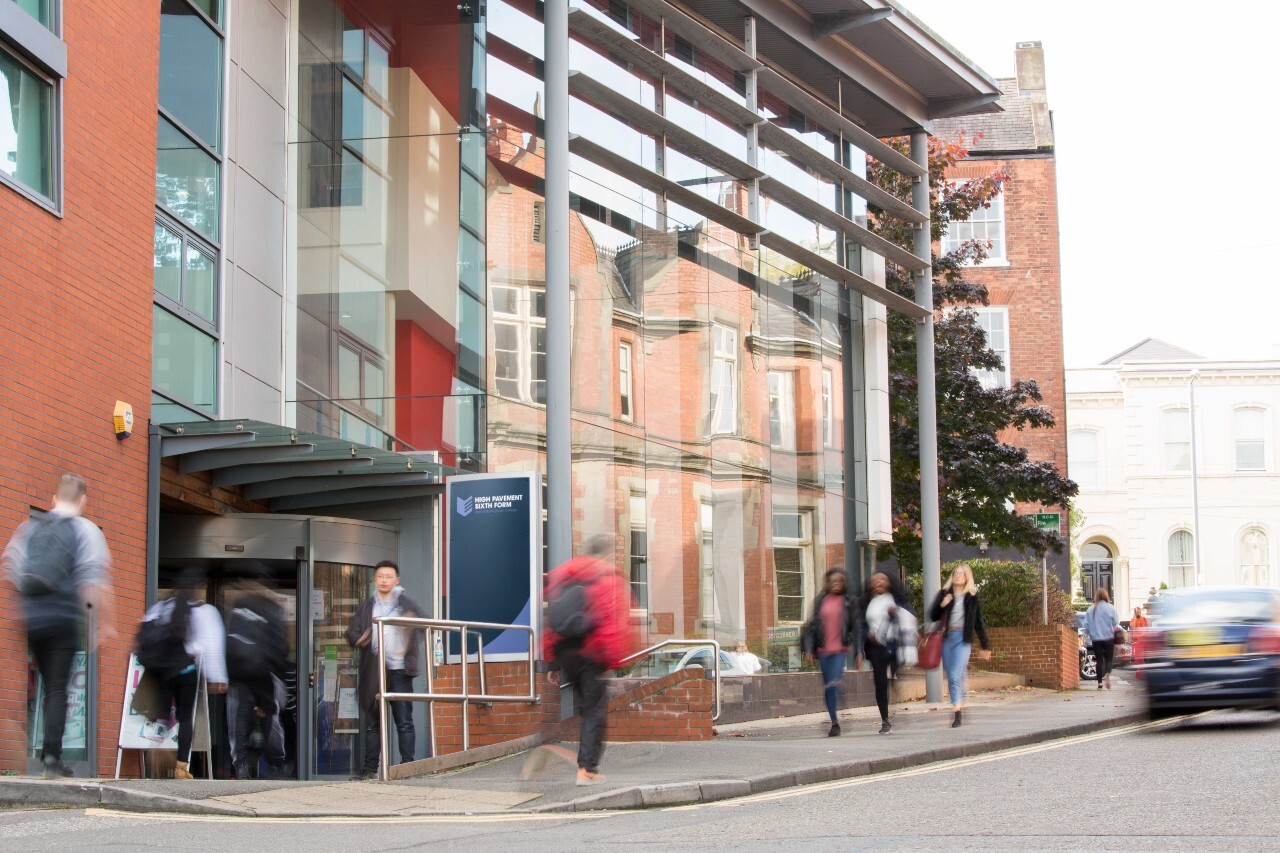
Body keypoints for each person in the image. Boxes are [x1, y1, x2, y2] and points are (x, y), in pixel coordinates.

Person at [2, 474, 113, 778]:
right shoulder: (85, 530)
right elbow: (93, 581)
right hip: (64, 620)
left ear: (53, 499)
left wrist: (21, 612)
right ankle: (51, 757)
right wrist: (100, 622)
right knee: (55, 690)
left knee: (40, 685)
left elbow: (11, 567)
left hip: (34, 618)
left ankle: (28, 743)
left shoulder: (31, 527)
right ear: (83, 501)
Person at [543, 537, 634, 785]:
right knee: (595, 713)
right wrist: (611, 662)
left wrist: (552, 662)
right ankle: (586, 770)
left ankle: (585, 765)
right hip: (592, 654)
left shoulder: (565, 575)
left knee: (585, 711)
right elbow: (611, 621)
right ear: (605, 554)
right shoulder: (607, 578)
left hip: (567, 655)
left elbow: (551, 620)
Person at [141, 569, 227, 779]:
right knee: (185, 718)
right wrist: (217, 676)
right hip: (187, 671)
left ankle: (153, 759)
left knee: (159, 716)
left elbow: (145, 630)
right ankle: (181, 767)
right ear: (198, 587)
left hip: (163, 672)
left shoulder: (162, 607)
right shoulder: (203, 611)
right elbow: (211, 644)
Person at [346, 560, 425, 779]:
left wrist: (410, 625)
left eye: (388, 576)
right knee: (373, 723)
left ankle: (407, 768)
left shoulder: (406, 603)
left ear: (396, 580)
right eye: (380, 576)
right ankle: (371, 770)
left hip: (400, 670)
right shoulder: (368, 605)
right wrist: (359, 639)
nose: (384, 580)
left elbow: (425, 622)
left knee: (404, 721)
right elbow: (351, 631)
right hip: (374, 670)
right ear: (375, 579)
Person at [225, 570, 289, 779]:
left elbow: (228, 641)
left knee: (241, 719)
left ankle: (243, 764)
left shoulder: (239, 607)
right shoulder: (271, 608)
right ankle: (276, 763)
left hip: (243, 674)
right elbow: (281, 645)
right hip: (263, 674)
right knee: (268, 718)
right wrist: (278, 675)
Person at [929, 564, 991, 728]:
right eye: (955, 573)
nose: (957, 575)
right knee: (952, 674)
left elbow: (979, 622)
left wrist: (985, 645)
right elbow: (932, 616)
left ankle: (957, 712)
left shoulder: (972, 597)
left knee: (955, 675)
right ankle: (961, 696)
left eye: (961, 573)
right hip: (947, 638)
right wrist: (943, 604)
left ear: (967, 577)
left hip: (963, 639)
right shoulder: (944, 594)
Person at [802, 568, 858, 738]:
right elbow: (812, 626)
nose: (835, 584)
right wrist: (809, 648)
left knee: (833, 681)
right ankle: (834, 722)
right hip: (823, 650)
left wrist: (859, 650)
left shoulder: (849, 601)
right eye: (832, 581)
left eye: (839, 581)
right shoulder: (821, 601)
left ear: (844, 583)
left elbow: (856, 626)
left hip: (840, 649)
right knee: (828, 686)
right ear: (827, 583)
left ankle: (839, 687)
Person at [859, 571, 908, 735]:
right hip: (875, 646)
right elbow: (861, 624)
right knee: (880, 683)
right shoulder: (867, 602)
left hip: (893, 644)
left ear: (889, 583)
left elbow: (908, 617)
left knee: (892, 676)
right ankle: (885, 720)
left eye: (882, 580)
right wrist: (867, 634)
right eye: (875, 580)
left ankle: (893, 679)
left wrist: (895, 613)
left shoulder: (896, 599)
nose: (879, 582)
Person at [1084, 588, 1120, 690]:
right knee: (1108, 659)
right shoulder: (1110, 608)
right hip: (1108, 637)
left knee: (1099, 661)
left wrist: (1087, 636)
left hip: (1096, 639)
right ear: (1106, 596)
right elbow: (1115, 621)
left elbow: (1086, 625)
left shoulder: (1091, 609)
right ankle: (1108, 674)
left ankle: (1100, 683)